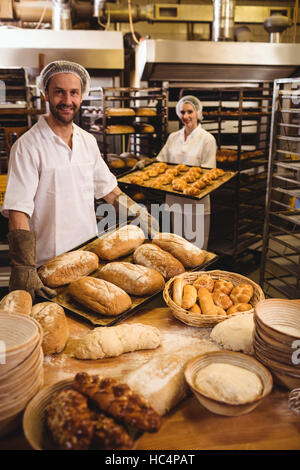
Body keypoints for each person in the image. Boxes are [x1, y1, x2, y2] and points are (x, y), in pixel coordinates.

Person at [2, 60, 158, 300]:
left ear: (81, 96)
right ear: (46, 94)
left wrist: (139, 212)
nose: (67, 100)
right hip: (47, 265)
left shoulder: (88, 141)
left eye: (73, 92)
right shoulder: (28, 146)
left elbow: (109, 190)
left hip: (87, 258)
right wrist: (24, 266)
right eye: (59, 92)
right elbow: (18, 211)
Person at [156, 95, 217, 249]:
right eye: (182, 112)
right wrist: (145, 164)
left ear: (198, 112)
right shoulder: (173, 137)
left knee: (197, 249)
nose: (186, 116)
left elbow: (208, 174)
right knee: (178, 248)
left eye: (190, 112)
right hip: (174, 202)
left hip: (196, 202)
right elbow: (160, 162)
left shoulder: (207, 139)